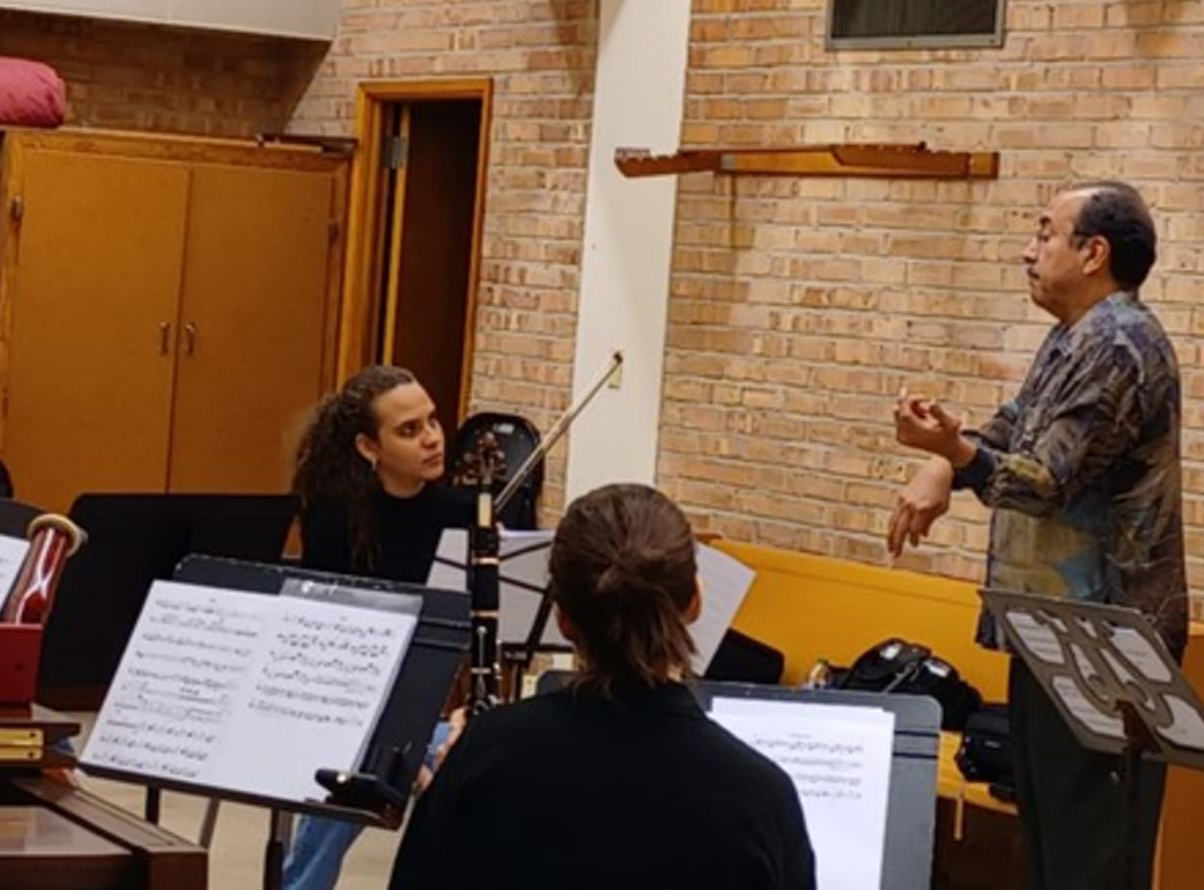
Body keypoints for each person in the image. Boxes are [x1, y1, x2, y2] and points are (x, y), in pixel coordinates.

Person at [888, 181, 1185, 890]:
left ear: (1094, 252)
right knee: (1050, 854)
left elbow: (1046, 478)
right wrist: (943, 458)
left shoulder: (1121, 343)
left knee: (1091, 862)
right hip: (1052, 633)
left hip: (1107, 646)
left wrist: (957, 458)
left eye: (1046, 232)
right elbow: (1011, 425)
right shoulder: (1073, 336)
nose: (1029, 249)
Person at [388, 483, 816, 890]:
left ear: (563, 618)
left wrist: (449, 790)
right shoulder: (760, 796)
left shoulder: (483, 755)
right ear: (695, 601)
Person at [282, 365, 475, 890]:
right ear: (369, 447)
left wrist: (457, 717)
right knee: (354, 768)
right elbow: (325, 646)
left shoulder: (464, 515)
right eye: (409, 430)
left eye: (432, 421)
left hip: (432, 712)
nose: (432, 438)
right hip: (348, 708)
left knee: (482, 760)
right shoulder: (334, 519)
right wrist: (401, 740)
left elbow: (478, 638)